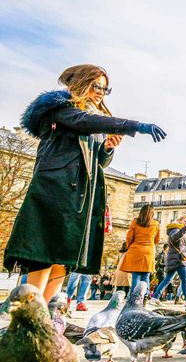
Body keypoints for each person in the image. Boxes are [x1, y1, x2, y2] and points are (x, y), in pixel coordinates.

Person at [3, 64, 166, 302]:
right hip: (53, 190)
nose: (101, 92)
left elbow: (97, 161)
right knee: (43, 253)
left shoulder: (91, 118)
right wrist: (135, 126)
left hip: (77, 194)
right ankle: (30, 309)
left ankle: (46, 309)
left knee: (64, 257)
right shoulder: (61, 109)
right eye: (97, 86)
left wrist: (107, 148)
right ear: (81, 83)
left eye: (105, 89)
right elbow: (84, 122)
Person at [151, 216, 186, 304]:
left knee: (167, 280)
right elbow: (174, 237)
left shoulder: (176, 229)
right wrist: (185, 229)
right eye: (184, 221)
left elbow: (178, 244)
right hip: (178, 260)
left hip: (174, 259)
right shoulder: (175, 229)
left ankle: (155, 298)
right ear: (179, 221)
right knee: (185, 279)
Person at [120, 204, 160, 291]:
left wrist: (129, 246)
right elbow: (157, 239)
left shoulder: (135, 221)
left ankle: (134, 295)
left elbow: (129, 237)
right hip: (149, 251)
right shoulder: (156, 223)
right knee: (146, 275)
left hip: (135, 250)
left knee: (136, 275)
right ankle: (145, 295)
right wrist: (152, 246)